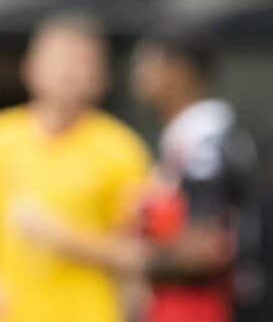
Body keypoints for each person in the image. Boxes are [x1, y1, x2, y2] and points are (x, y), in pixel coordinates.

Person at [19, 24, 263, 322]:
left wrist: (90, 246)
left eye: (149, 62)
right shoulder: (189, 141)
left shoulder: (205, 146)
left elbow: (204, 249)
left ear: (179, 72)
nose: (138, 73)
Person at [0, 13, 151, 322]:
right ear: (31, 68)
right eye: (59, 60)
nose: (69, 72)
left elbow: (140, 255)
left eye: (82, 62)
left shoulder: (121, 149)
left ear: (102, 78)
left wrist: (62, 238)